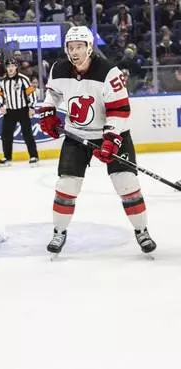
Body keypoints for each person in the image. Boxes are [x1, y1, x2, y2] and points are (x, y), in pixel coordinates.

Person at [38, 26, 156, 255]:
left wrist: (111, 139)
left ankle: (142, 231)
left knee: (127, 184)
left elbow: (120, 109)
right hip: (76, 134)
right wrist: (48, 111)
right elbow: (52, 93)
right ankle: (59, 232)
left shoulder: (108, 72)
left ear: (89, 48)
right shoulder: (59, 68)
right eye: (71, 47)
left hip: (113, 134)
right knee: (66, 186)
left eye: (79, 47)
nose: (75, 52)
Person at [0, 58, 38, 167]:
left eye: (12, 66)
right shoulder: (2, 82)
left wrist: (32, 107)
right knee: (6, 135)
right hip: (9, 112)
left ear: (16, 67)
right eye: (8, 66)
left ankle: (34, 156)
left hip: (23, 110)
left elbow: (31, 94)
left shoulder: (23, 79)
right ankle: (7, 158)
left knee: (28, 134)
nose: (10, 68)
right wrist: (0, 105)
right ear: (6, 68)